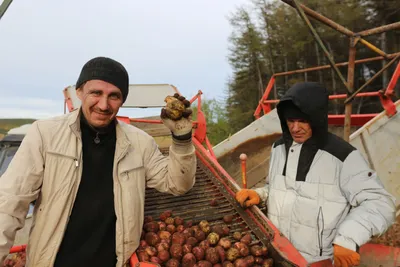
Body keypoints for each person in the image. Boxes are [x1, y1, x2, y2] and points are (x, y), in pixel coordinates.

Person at [0, 56, 197, 267]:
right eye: (96, 93)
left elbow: (178, 183)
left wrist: (182, 139)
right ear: (79, 92)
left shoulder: (140, 143)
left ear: (122, 100)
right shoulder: (45, 134)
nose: (103, 105)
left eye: (114, 96)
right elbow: (10, 202)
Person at [235, 82, 396, 267]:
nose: (295, 128)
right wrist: (260, 195)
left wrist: (348, 237)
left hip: (318, 262)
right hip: (278, 254)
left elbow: (381, 203)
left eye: (302, 121)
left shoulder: (342, 156)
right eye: (290, 121)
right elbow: (279, 188)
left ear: (317, 119)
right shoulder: (279, 148)